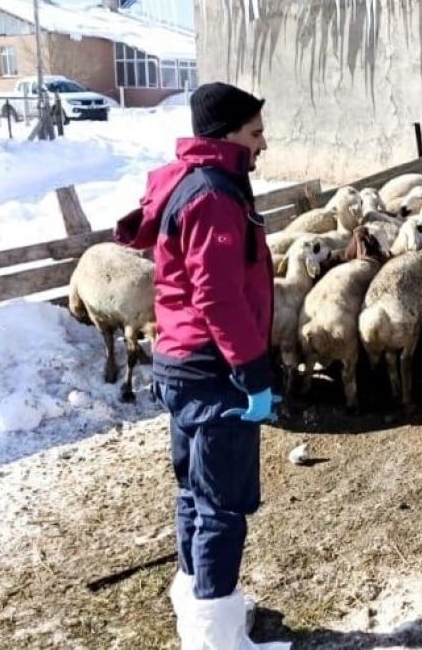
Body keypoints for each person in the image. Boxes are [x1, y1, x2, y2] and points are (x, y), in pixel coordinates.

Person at [114, 81, 289, 650]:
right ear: (228, 134)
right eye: (256, 132)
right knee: (221, 504)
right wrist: (253, 371)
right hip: (212, 369)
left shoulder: (201, 184)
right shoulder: (214, 194)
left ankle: (201, 602)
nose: (263, 143)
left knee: (195, 491)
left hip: (182, 363)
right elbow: (217, 295)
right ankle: (217, 634)